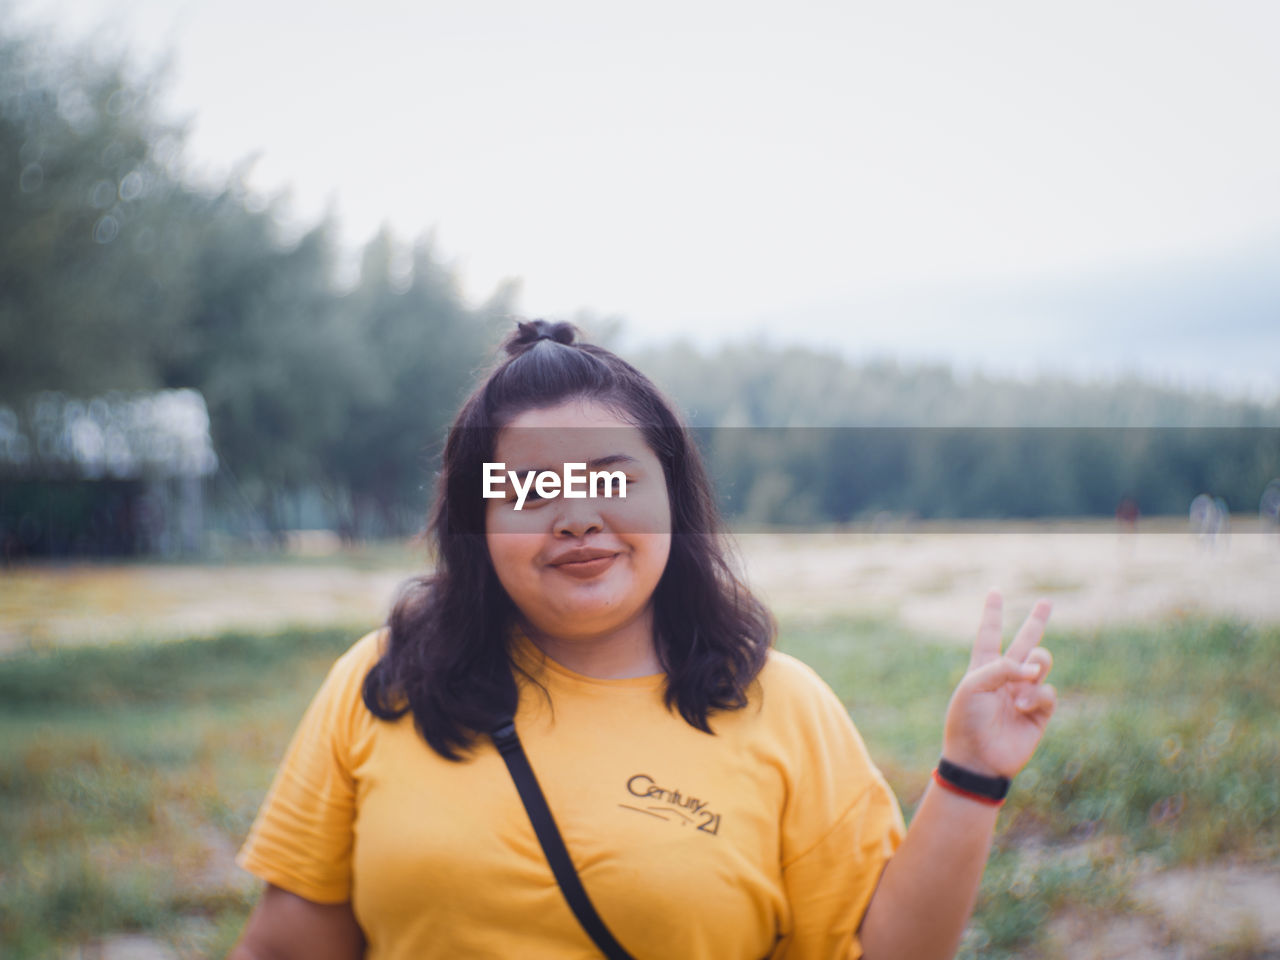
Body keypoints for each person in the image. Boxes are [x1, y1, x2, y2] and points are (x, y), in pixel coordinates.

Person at [229, 320, 1057, 960]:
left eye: (613, 479)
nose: (578, 514)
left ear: (674, 497)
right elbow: (285, 947)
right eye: (529, 487)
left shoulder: (784, 707)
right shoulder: (383, 681)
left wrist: (971, 775)